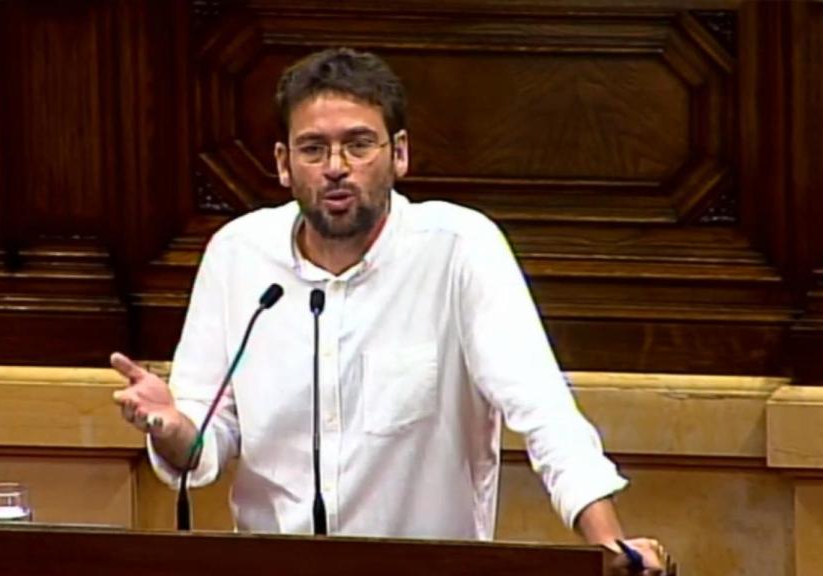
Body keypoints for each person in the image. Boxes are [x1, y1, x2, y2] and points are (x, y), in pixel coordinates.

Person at [112, 47, 669, 574]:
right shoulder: (238, 257)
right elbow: (205, 444)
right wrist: (173, 429)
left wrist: (606, 543)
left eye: (358, 145)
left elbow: (544, 411)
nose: (335, 167)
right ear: (283, 163)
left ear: (398, 153)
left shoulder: (458, 248)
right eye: (313, 148)